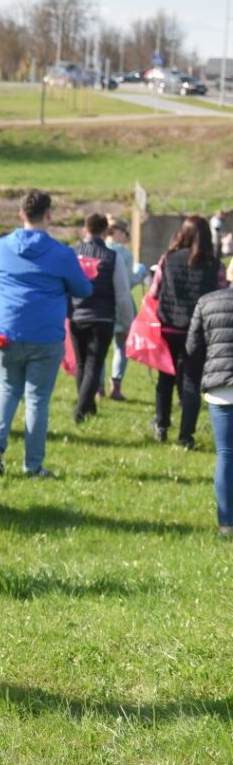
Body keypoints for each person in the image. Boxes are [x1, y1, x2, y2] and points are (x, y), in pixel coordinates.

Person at [0, 190, 92, 478]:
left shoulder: (0, 247)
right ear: (49, 215)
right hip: (45, 334)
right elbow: (83, 290)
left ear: (21, 215)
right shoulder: (62, 254)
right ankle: (32, 465)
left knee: (7, 390)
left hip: (6, 331)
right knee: (37, 400)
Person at [151, 215, 228, 448]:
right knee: (192, 382)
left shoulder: (168, 259)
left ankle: (161, 425)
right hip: (200, 331)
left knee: (165, 378)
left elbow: (155, 291)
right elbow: (222, 292)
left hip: (169, 327)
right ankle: (186, 436)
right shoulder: (215, 265)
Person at [69, 213, 134, 424]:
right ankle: (81, 410)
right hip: (103, 317)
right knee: (94, 365)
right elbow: (122, 293)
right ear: (105, 232)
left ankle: (89, 406)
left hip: (77, 316)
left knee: (81, 364)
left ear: (84, 230)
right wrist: (127, 321)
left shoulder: (73, 254)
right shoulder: (112, 257)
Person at [187, 280, 233, 536]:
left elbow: (193, 347)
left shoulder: (207, 301)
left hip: (220, 387)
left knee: (226, 455)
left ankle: (226, 523)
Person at [106, 217, 145, 401]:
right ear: (118, 232)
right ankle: (116, 385)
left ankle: (98, 388)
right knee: (121, 348)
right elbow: (128, 282)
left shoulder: (99, 249)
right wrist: (141, 273)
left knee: (99, 350)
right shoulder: (124, 254)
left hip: (102, 307)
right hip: (122, 308)